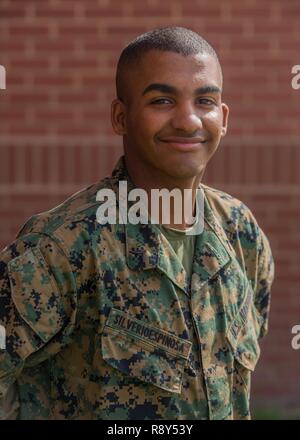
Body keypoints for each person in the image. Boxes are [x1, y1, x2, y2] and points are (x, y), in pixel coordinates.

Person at [0, 26, 274, 420]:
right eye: (162, 100)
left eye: (205, 101)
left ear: (224, 117)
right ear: (120, 117)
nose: (187, 120)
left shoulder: (241, 233)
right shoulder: (62, 247)